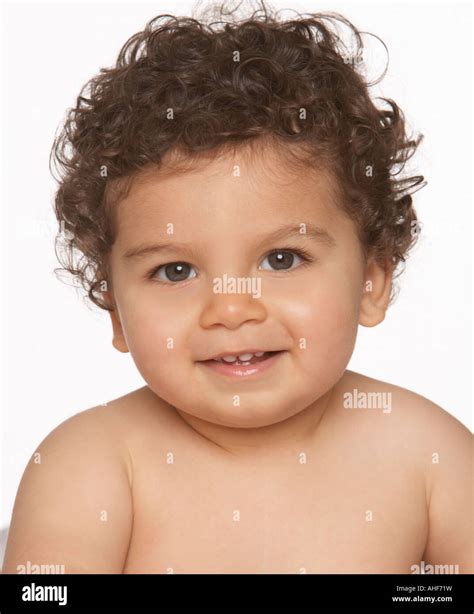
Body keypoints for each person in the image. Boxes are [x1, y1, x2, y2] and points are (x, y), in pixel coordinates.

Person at [3, 0, 472, 574]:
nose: (230, 308)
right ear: (116, 311)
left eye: (281, 258)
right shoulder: (91, 467)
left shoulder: (430, 458)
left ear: (372, 280)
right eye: (175, 271)